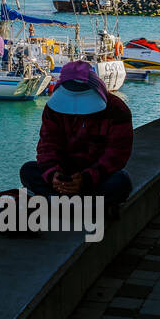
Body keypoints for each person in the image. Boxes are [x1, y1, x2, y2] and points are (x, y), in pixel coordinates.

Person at [19, 60, 133, 211]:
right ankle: (83, 206)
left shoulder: (117, 110)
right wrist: (53, 175)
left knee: (121, 182)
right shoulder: (53, 108)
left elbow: (116, 155)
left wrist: (86, 179)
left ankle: (56, 203)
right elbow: (47, 147)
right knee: (28, 171)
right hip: (64, 175)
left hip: (95, 178)